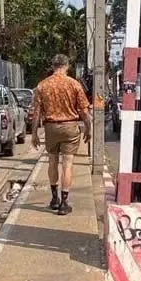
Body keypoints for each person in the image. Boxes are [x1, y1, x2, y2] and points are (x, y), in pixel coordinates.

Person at [31, 54, 91, 215]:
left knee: (52, 162)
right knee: (68, 164)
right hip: (70, 127)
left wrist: (34, 133)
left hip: (51, 128)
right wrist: (88, 128)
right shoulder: (74, 85)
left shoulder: (42, 86)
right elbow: (83, 111)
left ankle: (53, 198)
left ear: (53, 66)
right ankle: (64, 203)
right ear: (67, 66)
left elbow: (36, 113)